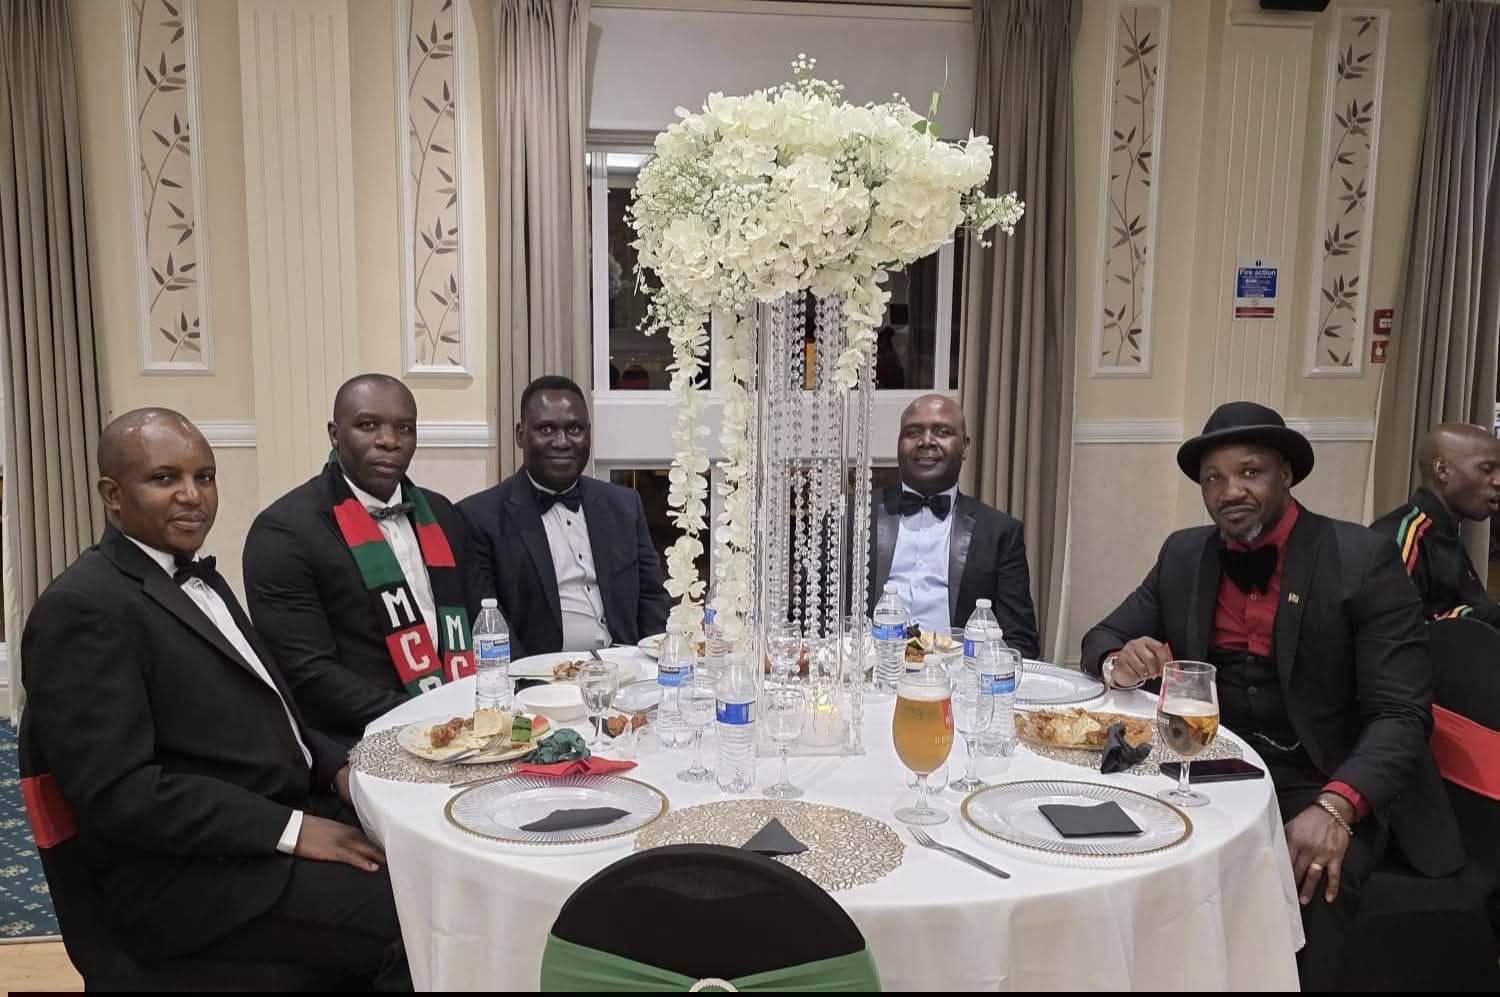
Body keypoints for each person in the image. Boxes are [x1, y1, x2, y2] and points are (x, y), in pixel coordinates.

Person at [1080, 400, 1463, 991]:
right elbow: (1101, 638)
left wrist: (1337, 806)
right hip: (1213, 761)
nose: (1230, 490)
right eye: (1214, 478)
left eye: (1250, 471)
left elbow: (1401, 713)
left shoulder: (1361, 560)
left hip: (1325, 771)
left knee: (1309, 880)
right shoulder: (1185, 553)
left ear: (1286, 474)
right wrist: (1119, 661)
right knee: (1111, 846)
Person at [20, 408, 409, 988]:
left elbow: (273, 715)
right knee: (416, 919)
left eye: (204, 477)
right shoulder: (82, 608)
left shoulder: (194, 576)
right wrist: (289, 829)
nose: (192, 495)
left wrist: (340, 773)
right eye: (164, 478)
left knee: (440, 873)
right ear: (112, 495)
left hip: (265, 821)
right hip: (185, 880)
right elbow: (122, 794)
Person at [244, 374, 487, 742]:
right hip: (360, 738)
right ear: (334, 434)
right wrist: (427, 716)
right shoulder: (284, 532)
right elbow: (308, 674)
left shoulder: (442, 514)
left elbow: (484, 618)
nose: (389, 440)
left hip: (466, 722)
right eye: (368, 425)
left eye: (404, 428)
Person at [460, 375, 670, 658]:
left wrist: (653, 664)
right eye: (546, 429)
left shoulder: (624, 505)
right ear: (520, 434)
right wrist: (528, 678)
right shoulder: (479, 517)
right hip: (540, 674)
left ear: (589, 434)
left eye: (574, 429)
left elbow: (652, 598)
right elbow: (490, 621)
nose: (562, 442)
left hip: (625, 667)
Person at [869, 393, 1039, 657]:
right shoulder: (854, 516)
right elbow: (817, 620)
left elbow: (1020, 641)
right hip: (872, 671)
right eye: (913, 432)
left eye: (943, 432)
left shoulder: (999, 533)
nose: (926, 441)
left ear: (965, 446)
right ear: (899, 444)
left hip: (957, 675)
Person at [1371, 422, 1500, 628]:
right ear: (1442, 470)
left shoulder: (1445, 533)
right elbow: (1393, 630)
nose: (1498, 481)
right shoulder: (1403, 535)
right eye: (1487, 469)